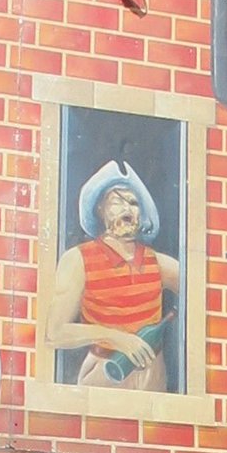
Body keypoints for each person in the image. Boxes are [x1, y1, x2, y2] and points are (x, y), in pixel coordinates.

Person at [46, 160, 180, 389]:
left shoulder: (159, 263)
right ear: (100, 209)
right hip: (105, 374)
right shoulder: (78, 260)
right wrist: (117, 339)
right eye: (117, 201)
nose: (128, 210)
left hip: (153, 378)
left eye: (134, 203)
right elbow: (55, 333)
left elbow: (204, 293)